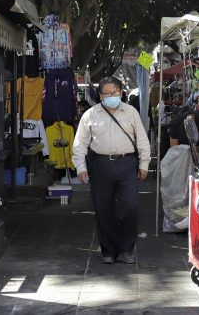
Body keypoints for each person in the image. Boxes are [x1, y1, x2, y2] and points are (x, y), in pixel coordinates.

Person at [72, 76, 151, 265]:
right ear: (100, 96)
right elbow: (80, 143)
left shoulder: (131, 112)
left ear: (121, 93)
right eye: (106, 93)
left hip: (126, 164)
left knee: (129, 207)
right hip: (100, 165)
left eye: (114, 93)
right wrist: (81, 167)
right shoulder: (90, 115)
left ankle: (126, 249)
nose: (111, 96)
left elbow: (142, 140)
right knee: (103, 208)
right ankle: (109, 250)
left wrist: (144, 164)